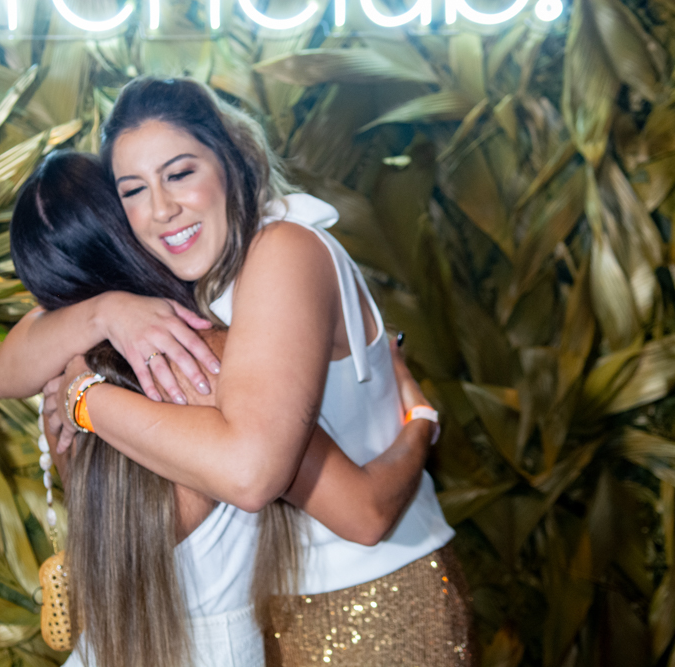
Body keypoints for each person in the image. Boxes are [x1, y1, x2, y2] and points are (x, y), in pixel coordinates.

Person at [25, 77, 472, 665]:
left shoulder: (281, 249)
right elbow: (6, 369)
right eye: (133, 190)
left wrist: (85, 397)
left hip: (372, 602)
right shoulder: (185, 289)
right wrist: (105, 313)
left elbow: (315, 497)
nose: (161, 208)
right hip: (280, 609)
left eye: (179, 173)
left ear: (230, 161)